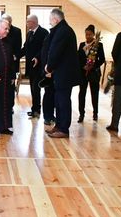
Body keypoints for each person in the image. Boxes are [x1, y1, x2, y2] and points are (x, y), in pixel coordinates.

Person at [44, 9, 81, 138]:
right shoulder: (63, 30)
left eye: (50, 20)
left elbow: (55, 51)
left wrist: (49, 67)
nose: (50, 22)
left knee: (63, 101)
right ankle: (59, 126)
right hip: (62, 73)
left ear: (55, 19)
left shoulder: (63, 31)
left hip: (65, 74)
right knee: (58, 101)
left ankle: (64, 129)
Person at [20, 14, 48, 118]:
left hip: (39, 66)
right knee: (32, 88)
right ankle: (34, 108)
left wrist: (37, 57)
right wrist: (15, 55)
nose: (27, 23)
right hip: (30, 66)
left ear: (33, 22)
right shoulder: (29, 33)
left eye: (28, 21)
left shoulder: (44, 32)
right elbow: (25, 48)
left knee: (36, 88)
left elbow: (44, 48)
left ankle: (37, 109)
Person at [77, 24, 105, 122]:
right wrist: (83, 66)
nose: (88, 36)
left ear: (93, 35)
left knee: (94, 94)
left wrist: (93, 65)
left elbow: (102, 59)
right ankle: (81, 114)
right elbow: (79, 58)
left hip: (94, 73)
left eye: (90, 34)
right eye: (86, 34)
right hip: (83, 73)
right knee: (82, 94)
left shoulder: (98, 45)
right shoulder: (82, 45)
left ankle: (95, 113)